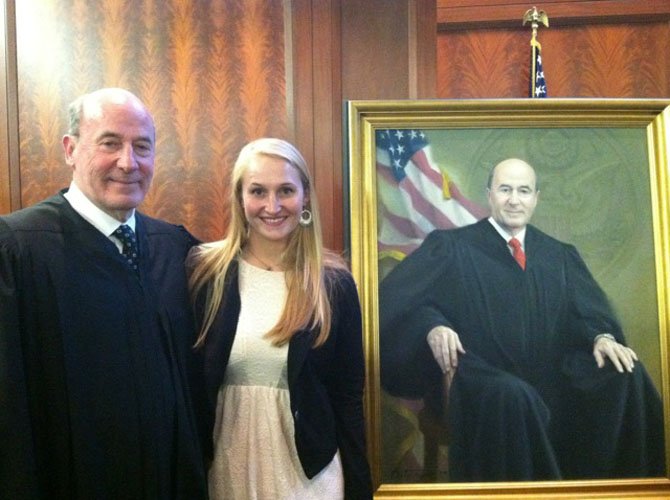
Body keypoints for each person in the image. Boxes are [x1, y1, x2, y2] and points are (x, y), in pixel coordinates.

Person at [379, 158, 665, 482]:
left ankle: (624, 491)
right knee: (515, 396)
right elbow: (399, 302)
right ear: (489, 195)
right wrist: (433, 326)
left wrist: (602, 337)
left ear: (536, 198)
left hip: (558, 382)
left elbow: (587, 313)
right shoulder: (452, 248)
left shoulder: (560, 255)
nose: (514, 199)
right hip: (484, 382)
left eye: (523, 191)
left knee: (627, 375)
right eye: (505, 190)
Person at [0, 88, 207, 498]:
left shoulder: (174, 249)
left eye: (141, 147)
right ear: (70, 149)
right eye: (110, 143)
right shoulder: (18, 249)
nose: (128, 163)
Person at [187, 138, 372, 499]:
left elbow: (348, 398)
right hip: (227, 467)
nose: (272, 206)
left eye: (285, 190)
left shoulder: (333, 284)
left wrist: (360, 488)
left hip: (308, 476)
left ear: (304, 197)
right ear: (240, 198)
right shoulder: (204, 272)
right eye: (258, 191)